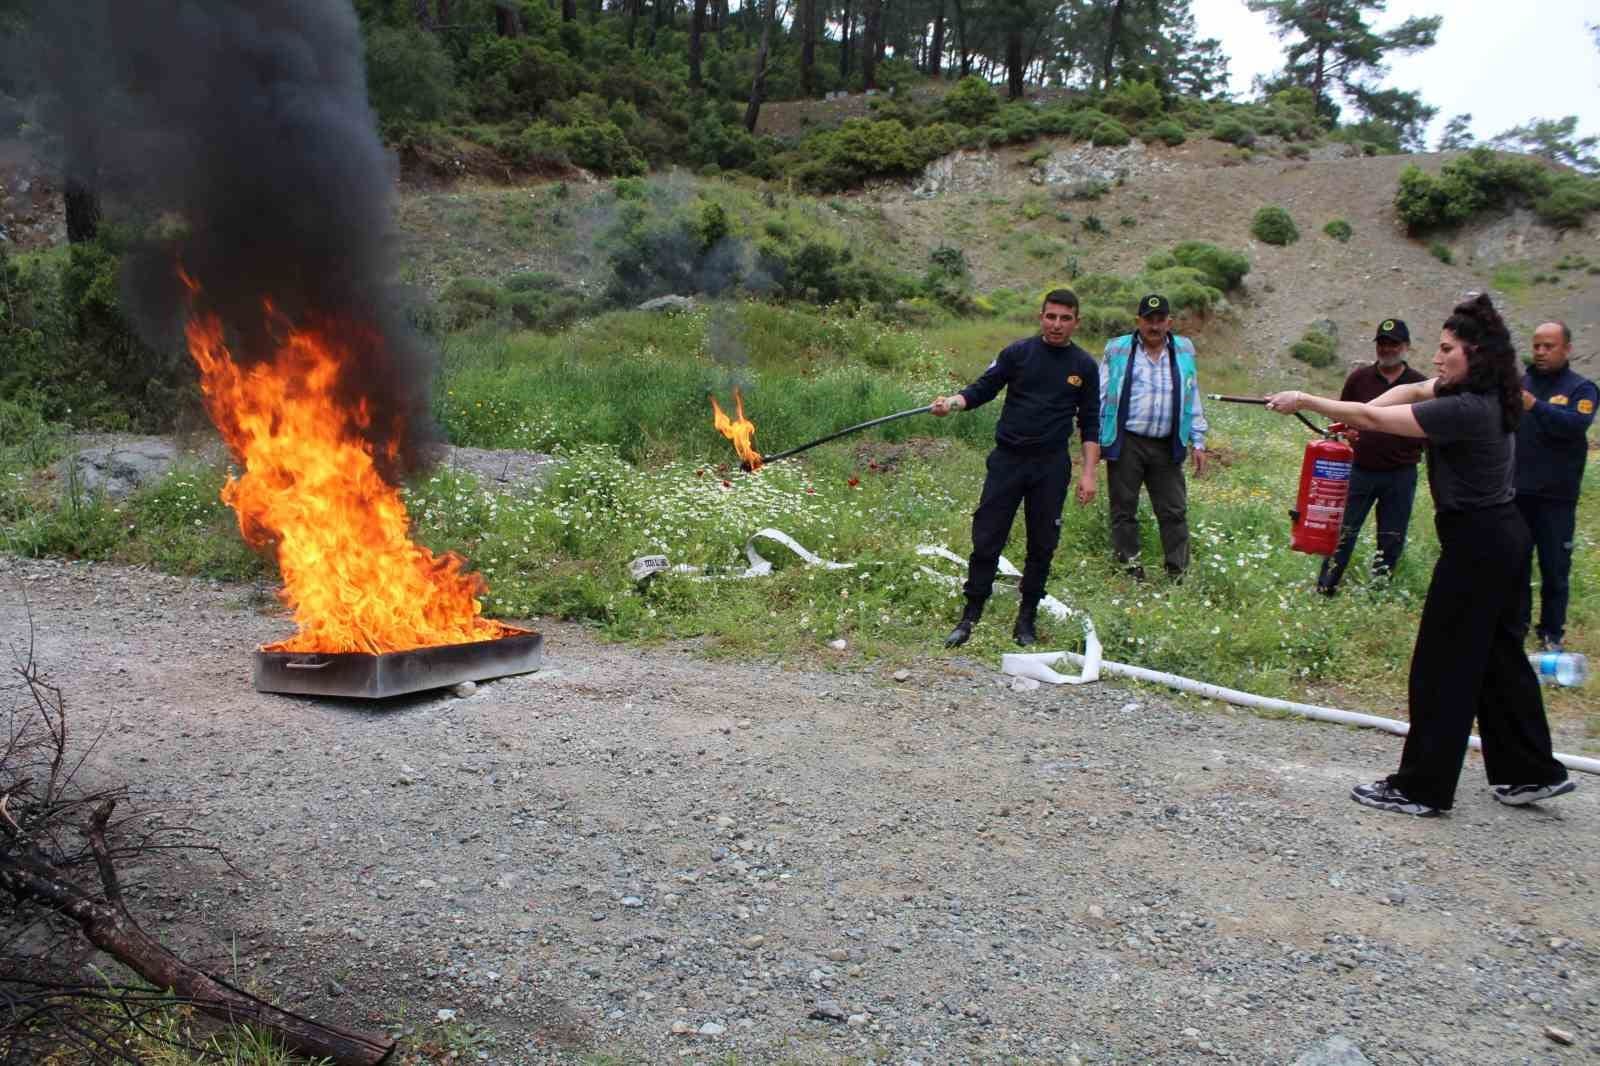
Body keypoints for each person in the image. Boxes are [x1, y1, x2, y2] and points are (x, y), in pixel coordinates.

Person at [1264, 294, 1574, 817]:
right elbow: (1402, 392)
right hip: (1501, 539)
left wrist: (1308, 400)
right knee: (1498, 660)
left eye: (1447, 349)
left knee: (1443, 664)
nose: (1437, 358)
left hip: (1478, 545)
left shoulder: (1467, 408)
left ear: (1474, 354)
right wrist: (1360, 419)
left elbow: (1373, 415)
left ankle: (1422, 787)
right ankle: (1530, 772)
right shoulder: (1487, 391)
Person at [931, 289, 1101, 648]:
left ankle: (1026, 620)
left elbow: (1090, 423)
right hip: (1008, 460)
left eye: (1065, 318)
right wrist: (952, 402)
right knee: (987, 537)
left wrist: (1089, 474)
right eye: (1051, 316)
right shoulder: (1017, 353)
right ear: (1041, 317)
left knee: (1042, 544)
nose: (1057, 325)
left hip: (1051, 466)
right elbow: (982, 388)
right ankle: (970, 615)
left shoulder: (1084, 367)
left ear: (1076, 322)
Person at [1098, 293, 1209, 580]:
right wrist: (1097, 437)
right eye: (1149, 320)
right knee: (1123, 509)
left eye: (1160, 320)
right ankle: (1129, 570)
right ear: (1138, 321)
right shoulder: (1117, 348)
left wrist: (1198, 439)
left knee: (1174, 510)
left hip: (1167, 443)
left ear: (1169, 322)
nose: (1155, 326)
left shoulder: (1184, 350)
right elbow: (1102, 395)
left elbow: (1190, 394)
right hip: (1128, 442)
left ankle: (1177, 572)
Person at [1315, 318, 1428, 595]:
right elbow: (1342, 416)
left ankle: (1378, 590)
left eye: (1393, 344)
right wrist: (1347, 433)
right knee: (1343, 532)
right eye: (1382, 343)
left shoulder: (1419, 385)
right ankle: (1325, 588)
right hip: (1360, 470)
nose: (1387, 349)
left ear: (1406, 347)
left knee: (1391, 537)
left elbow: (1429, 427)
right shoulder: (1358, 379)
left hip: (1401, 474)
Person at [1514, 321, 1596, 652]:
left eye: (1549, 346)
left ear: (1567, 349)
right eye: (1537, 346)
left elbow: (1574, 426)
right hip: (1517, 492)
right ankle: (1515, 627)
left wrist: (1535, 406)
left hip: (1556, 498)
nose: (1541, 352)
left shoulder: (1582, 389)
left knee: (1554, 568)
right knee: (1515, 564)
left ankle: (1551, 633)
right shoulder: (1521, 383)